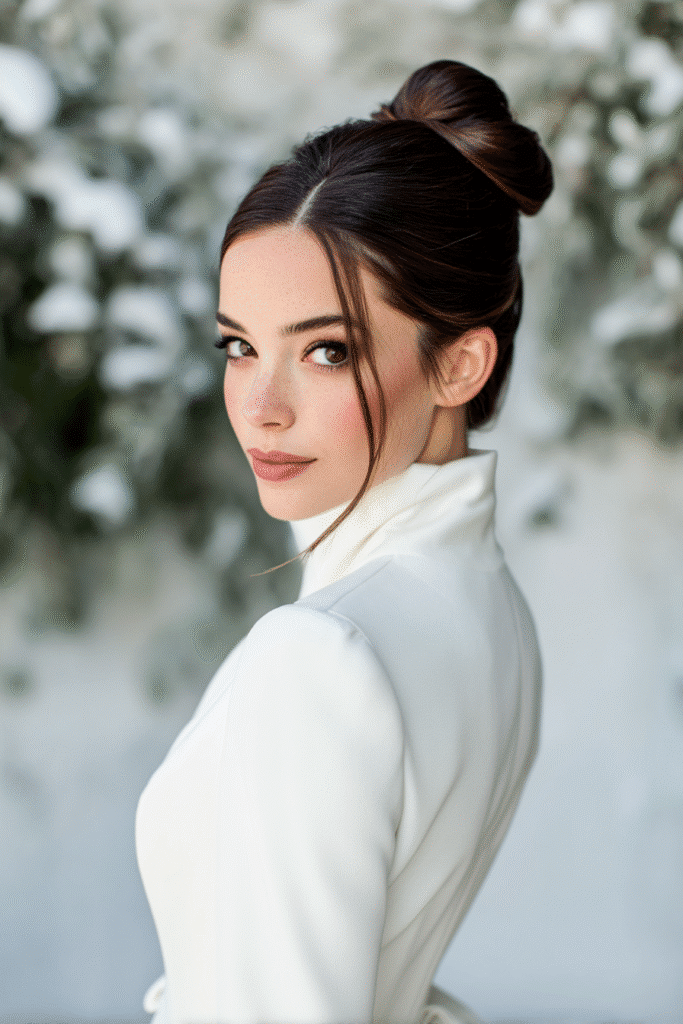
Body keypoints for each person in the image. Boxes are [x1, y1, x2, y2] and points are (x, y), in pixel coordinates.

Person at [135, 59, 552, 1024]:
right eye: (239, 346)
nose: (260, 408)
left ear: (459, 362)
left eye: (327, 350)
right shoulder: (490, 609)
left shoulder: (321, 659)